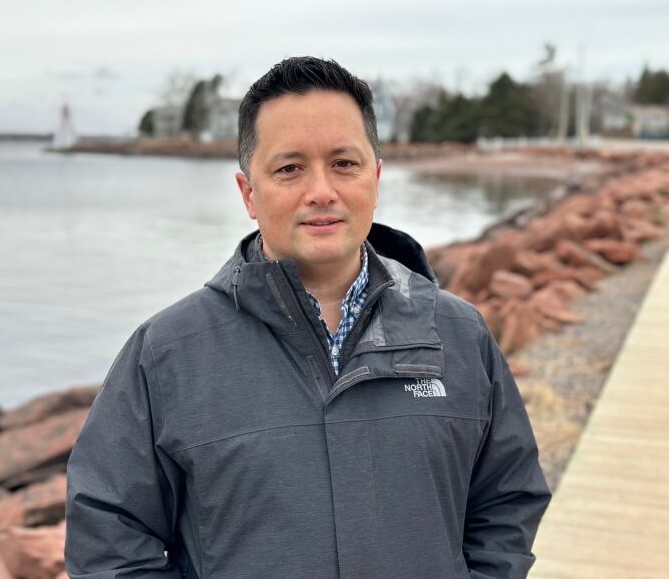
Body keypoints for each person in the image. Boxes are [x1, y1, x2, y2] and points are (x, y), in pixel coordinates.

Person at [65, 56, 551, 579]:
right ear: (249, 193)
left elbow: (507, 500)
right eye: (290, 168)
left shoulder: (458, 334)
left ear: (376, 178)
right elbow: (108, 539)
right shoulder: (167, 352)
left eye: (344, 163)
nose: (322, 191)